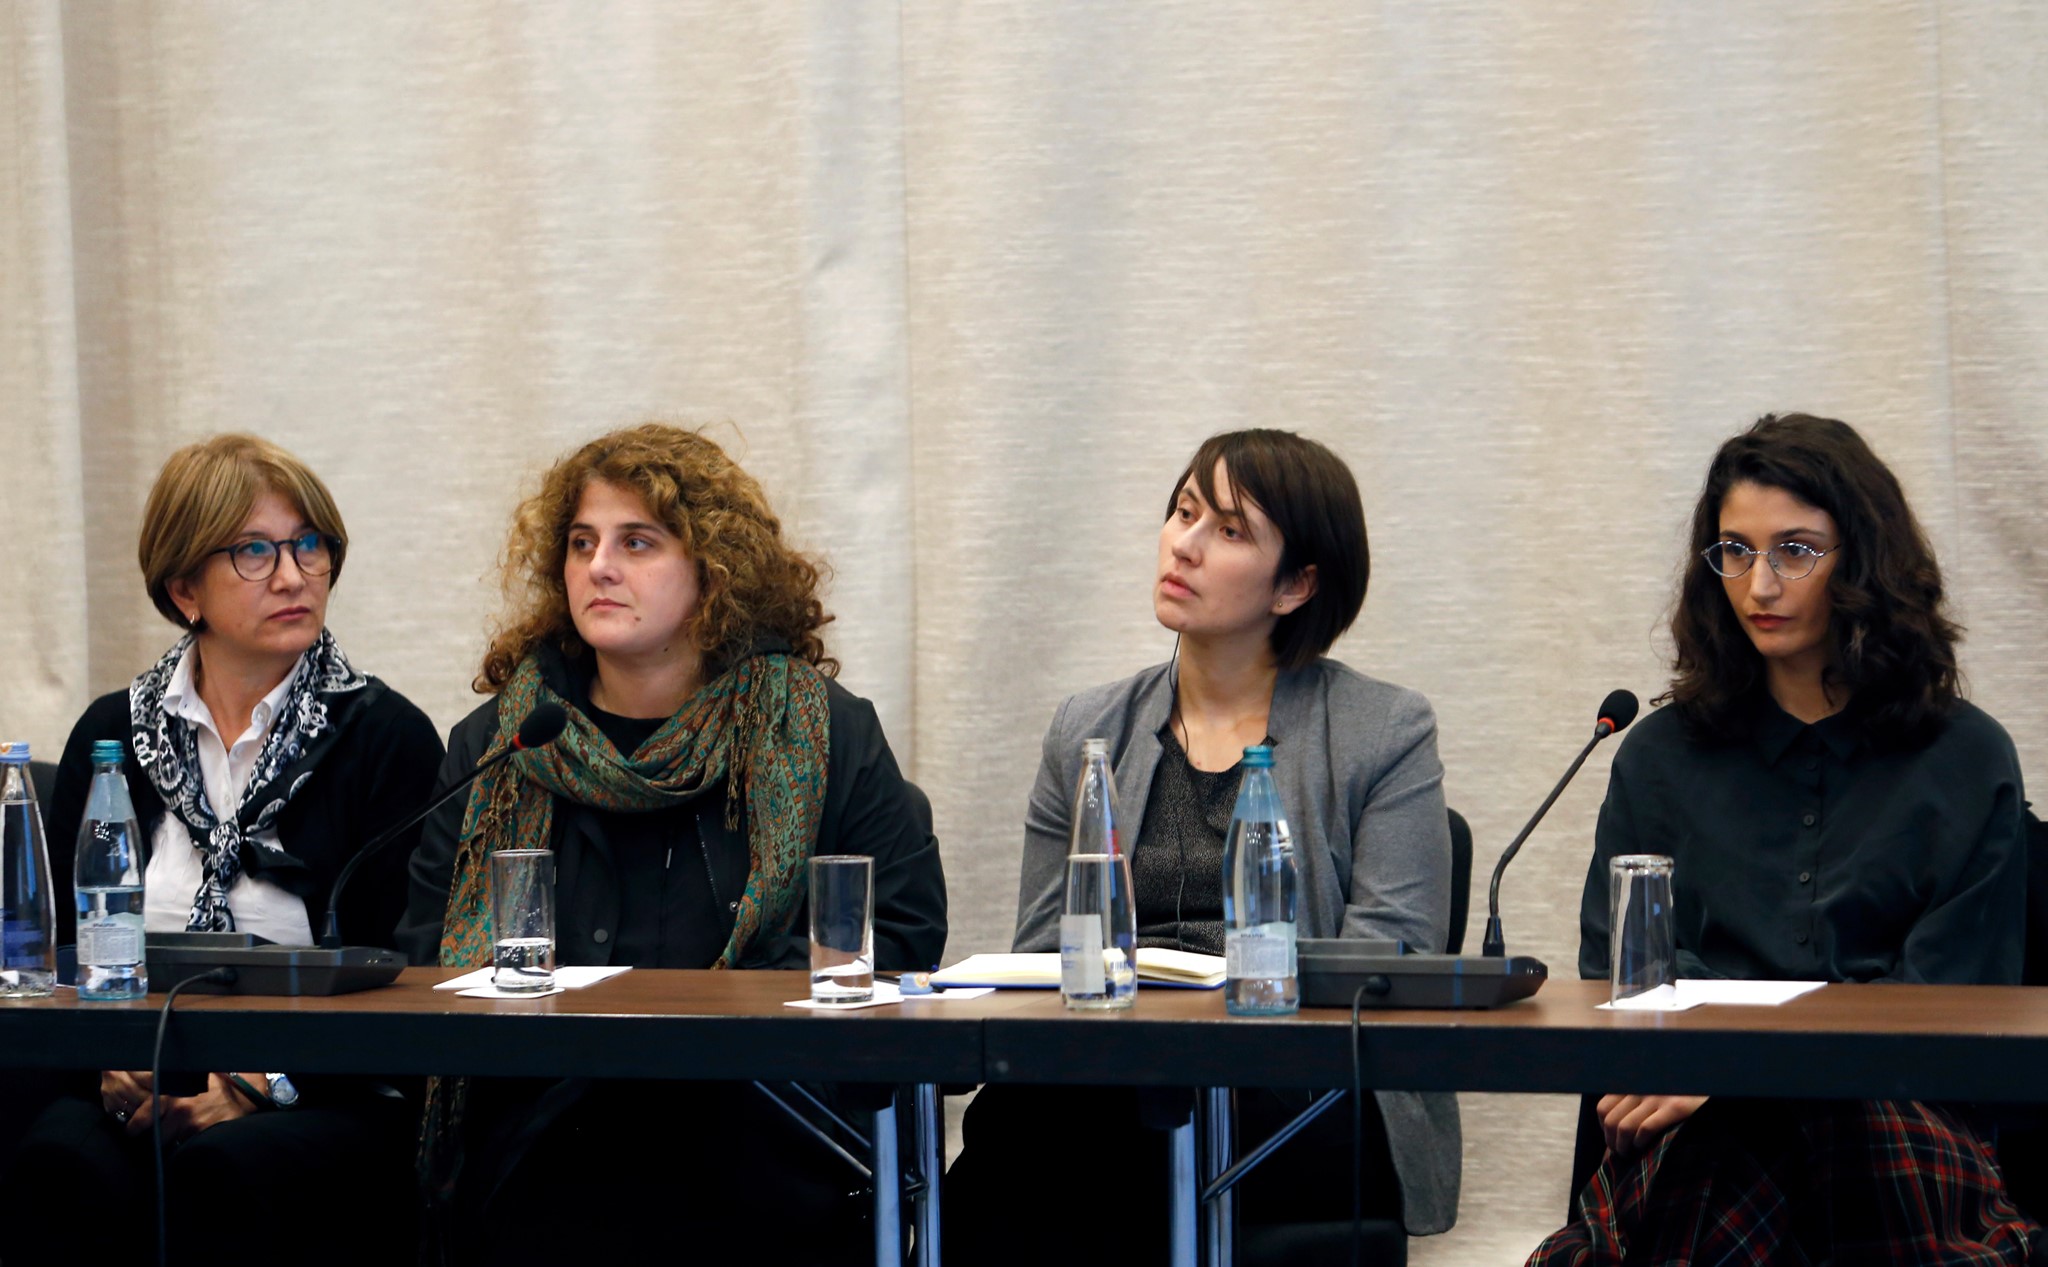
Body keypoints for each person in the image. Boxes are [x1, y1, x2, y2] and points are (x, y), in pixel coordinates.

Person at [396, 422, 947, 1266]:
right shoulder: (505, 745)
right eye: (582, 543)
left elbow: (901, 938)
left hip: (767, 1129)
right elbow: (431, 955)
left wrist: (735, 1022)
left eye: (637, 542)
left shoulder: (821, 732)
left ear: (715, 570)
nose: (599, 567)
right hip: (546, 1147)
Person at [1530, 413, 2039, 1265]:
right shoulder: (1659, 754)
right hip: (1697, 1131)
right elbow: (1627, 969)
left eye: (1795, 550)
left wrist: (1740, 1067)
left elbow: (1949, 1007)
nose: (1759, 584)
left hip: (1899, 1123)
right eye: (1735, 551)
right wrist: (1735, 1071)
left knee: (1765, 1131)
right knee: (1732, 1146)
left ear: (1865, 560)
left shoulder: (1965, 756)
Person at [946, 428, 1462, 1264]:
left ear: (1296, 584)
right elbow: (1043, 951)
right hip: (1109, 1075)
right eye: (1183, 512)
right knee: (1026, 1119)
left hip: (1300, 1082)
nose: (1183, 544)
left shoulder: (1384, 729)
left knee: (1083, 1137)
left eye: (1227, 530)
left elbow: (1388, 959)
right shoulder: (1088, 729)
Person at [8, 433, 444, 1266]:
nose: (293, 575)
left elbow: (403, 976)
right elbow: (58, 950)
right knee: (59, 1164)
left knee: (226, 1173)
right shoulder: (113, 734)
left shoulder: (384, 738)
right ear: (184, 590)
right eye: (254, 551)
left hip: (319, 1089)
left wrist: (261, 1084)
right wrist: (108, 1064)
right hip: (134, 1068)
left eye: (308, 544)